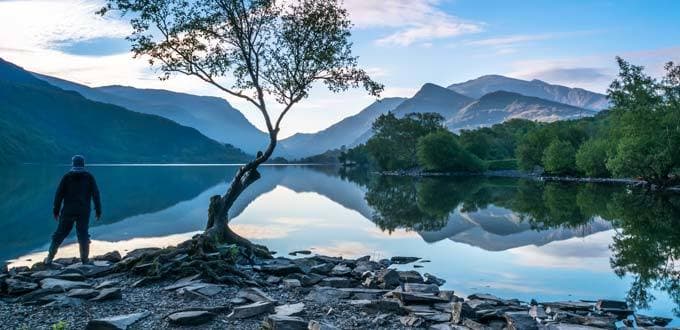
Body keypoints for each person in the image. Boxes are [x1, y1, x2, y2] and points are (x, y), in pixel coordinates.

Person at [44, 155, 102, 265]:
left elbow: (59, 195)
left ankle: (49, 259)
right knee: (83, 234)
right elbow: (96, 194)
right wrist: (98, 210)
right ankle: (85, 261)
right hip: (83, 211)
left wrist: (56, 210)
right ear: (83, 164)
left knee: (59, 234)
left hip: (68, 211)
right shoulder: (89, 177)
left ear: (73, 164)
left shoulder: (67, 177)